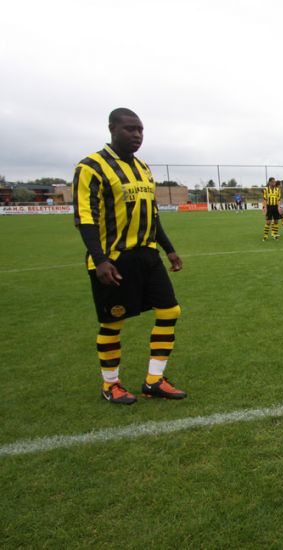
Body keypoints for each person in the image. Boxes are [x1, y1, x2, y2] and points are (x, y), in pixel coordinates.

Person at [72, 108, 186, 405]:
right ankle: (111, 384)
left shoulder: (143, 168)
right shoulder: (91, 167)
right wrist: (100, 260)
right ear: (112, 129)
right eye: (130, 129)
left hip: (147, 255)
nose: (137, 135)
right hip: (113, 260)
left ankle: (154, 381)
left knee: (170, 311)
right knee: (113, 322)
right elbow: (85, 218)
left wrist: (169, 248)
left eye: (141, 130)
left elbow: (152, 214)